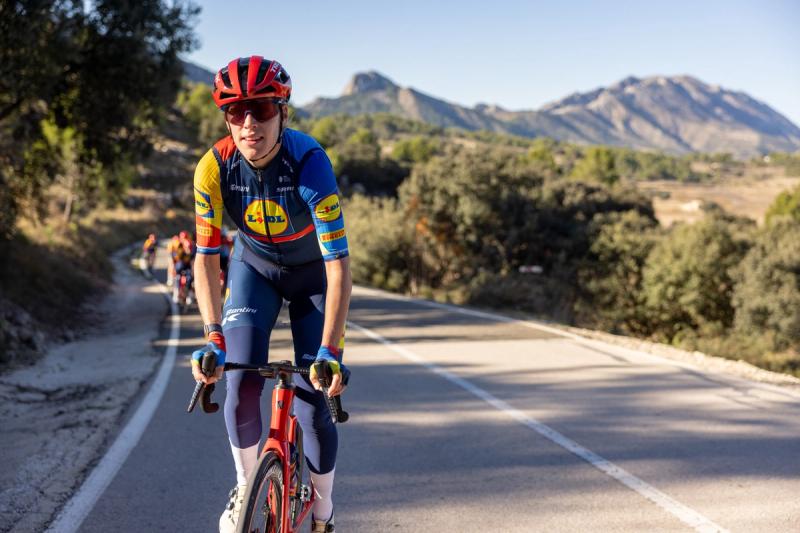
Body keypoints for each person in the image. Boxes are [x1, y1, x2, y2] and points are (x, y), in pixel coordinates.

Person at [190, 56, 352, 533]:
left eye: (260, 108)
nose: (248, 123)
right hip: (253, 271)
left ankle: (323, 511)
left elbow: (338, 264)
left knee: (313, 399)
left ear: (283, 111)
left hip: (313, 278)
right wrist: (212, 336)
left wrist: (331, 350)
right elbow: (205, 257)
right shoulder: (213, 168)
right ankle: (245, 486)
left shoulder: (309, 163)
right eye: (235, 111)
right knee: (238, 381)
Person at [173, 230, 195, 304]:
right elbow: (175, 258)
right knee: (177, 278)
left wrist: (192, 270)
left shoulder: (191, 245)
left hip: (188, 265)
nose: (184, 240)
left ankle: (189, 294)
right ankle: (176, 293)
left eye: (185, 238)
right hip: (180, 264)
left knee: (189, 278)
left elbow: (193, 259)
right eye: (183, 238)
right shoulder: (178, 245)